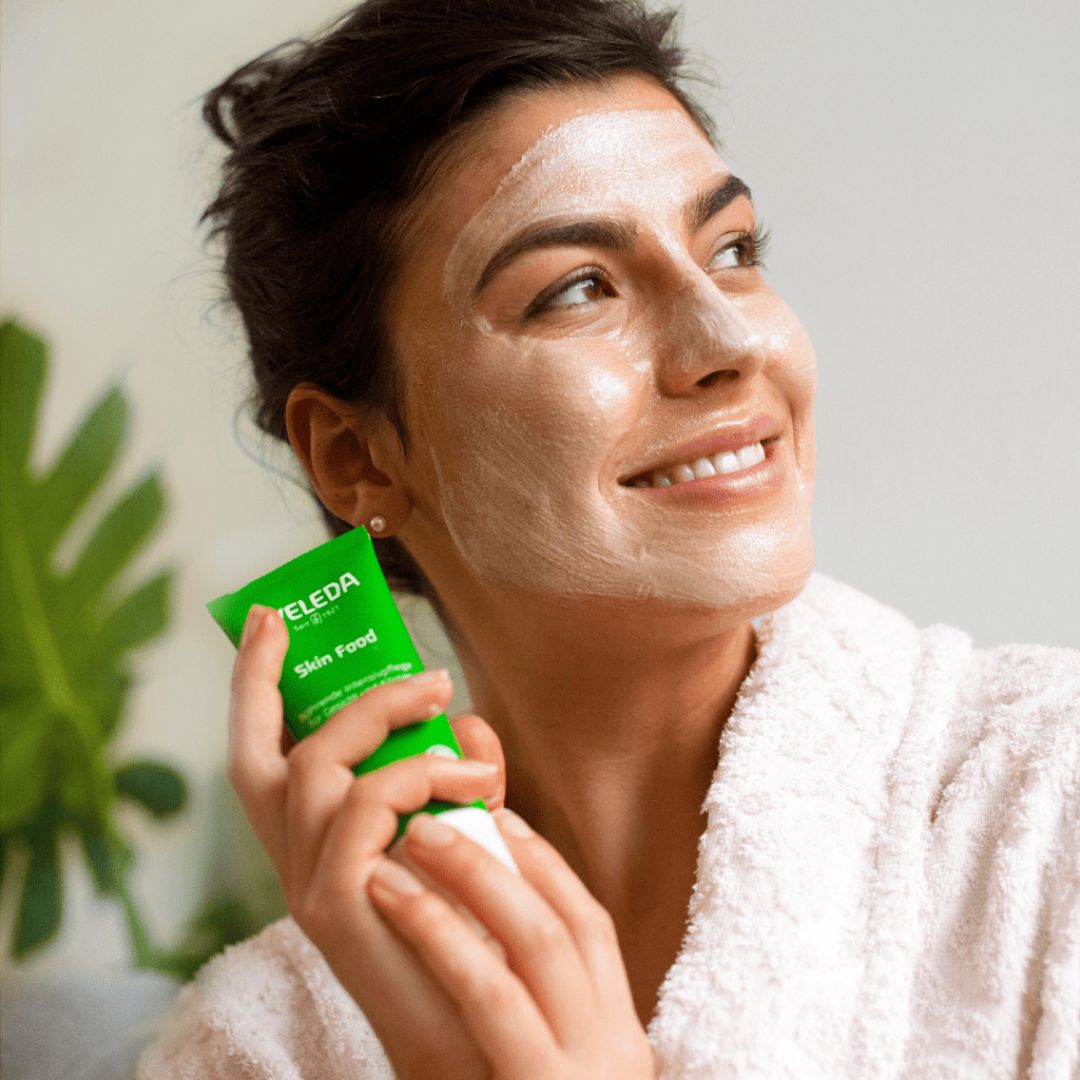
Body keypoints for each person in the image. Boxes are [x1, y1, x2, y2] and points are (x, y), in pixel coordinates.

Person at [139, 0, 1079, 1076]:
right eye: (578, 288)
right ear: (357, 457)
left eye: (733, 249)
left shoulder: (1048, 806)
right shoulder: (267, 1043)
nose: (731, 341)